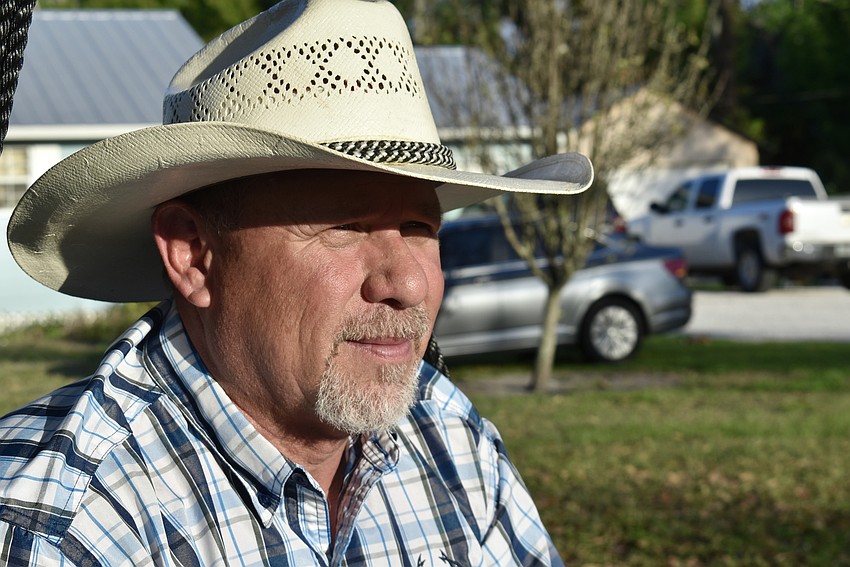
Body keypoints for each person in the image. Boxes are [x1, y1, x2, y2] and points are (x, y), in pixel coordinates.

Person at [0, 0, 592, 564]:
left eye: (420, 227)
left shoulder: (448, 436)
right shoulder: (60, 528)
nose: (409, 284)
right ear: (193, 254)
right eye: (345, 226)